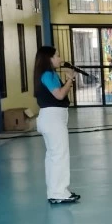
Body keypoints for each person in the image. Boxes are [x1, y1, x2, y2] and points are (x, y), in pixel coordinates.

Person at [33, 46, 80, 205]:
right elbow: (59, 95)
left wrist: (69, 80)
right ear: (49, 58)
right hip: (52, 118)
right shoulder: (47, 74)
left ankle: (58, 191)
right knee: (59, 156)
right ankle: (58, 193)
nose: (60, 59)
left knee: (54, 156)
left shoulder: (47, 74)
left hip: (52, 118)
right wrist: (69, 79)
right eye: (57, 56)